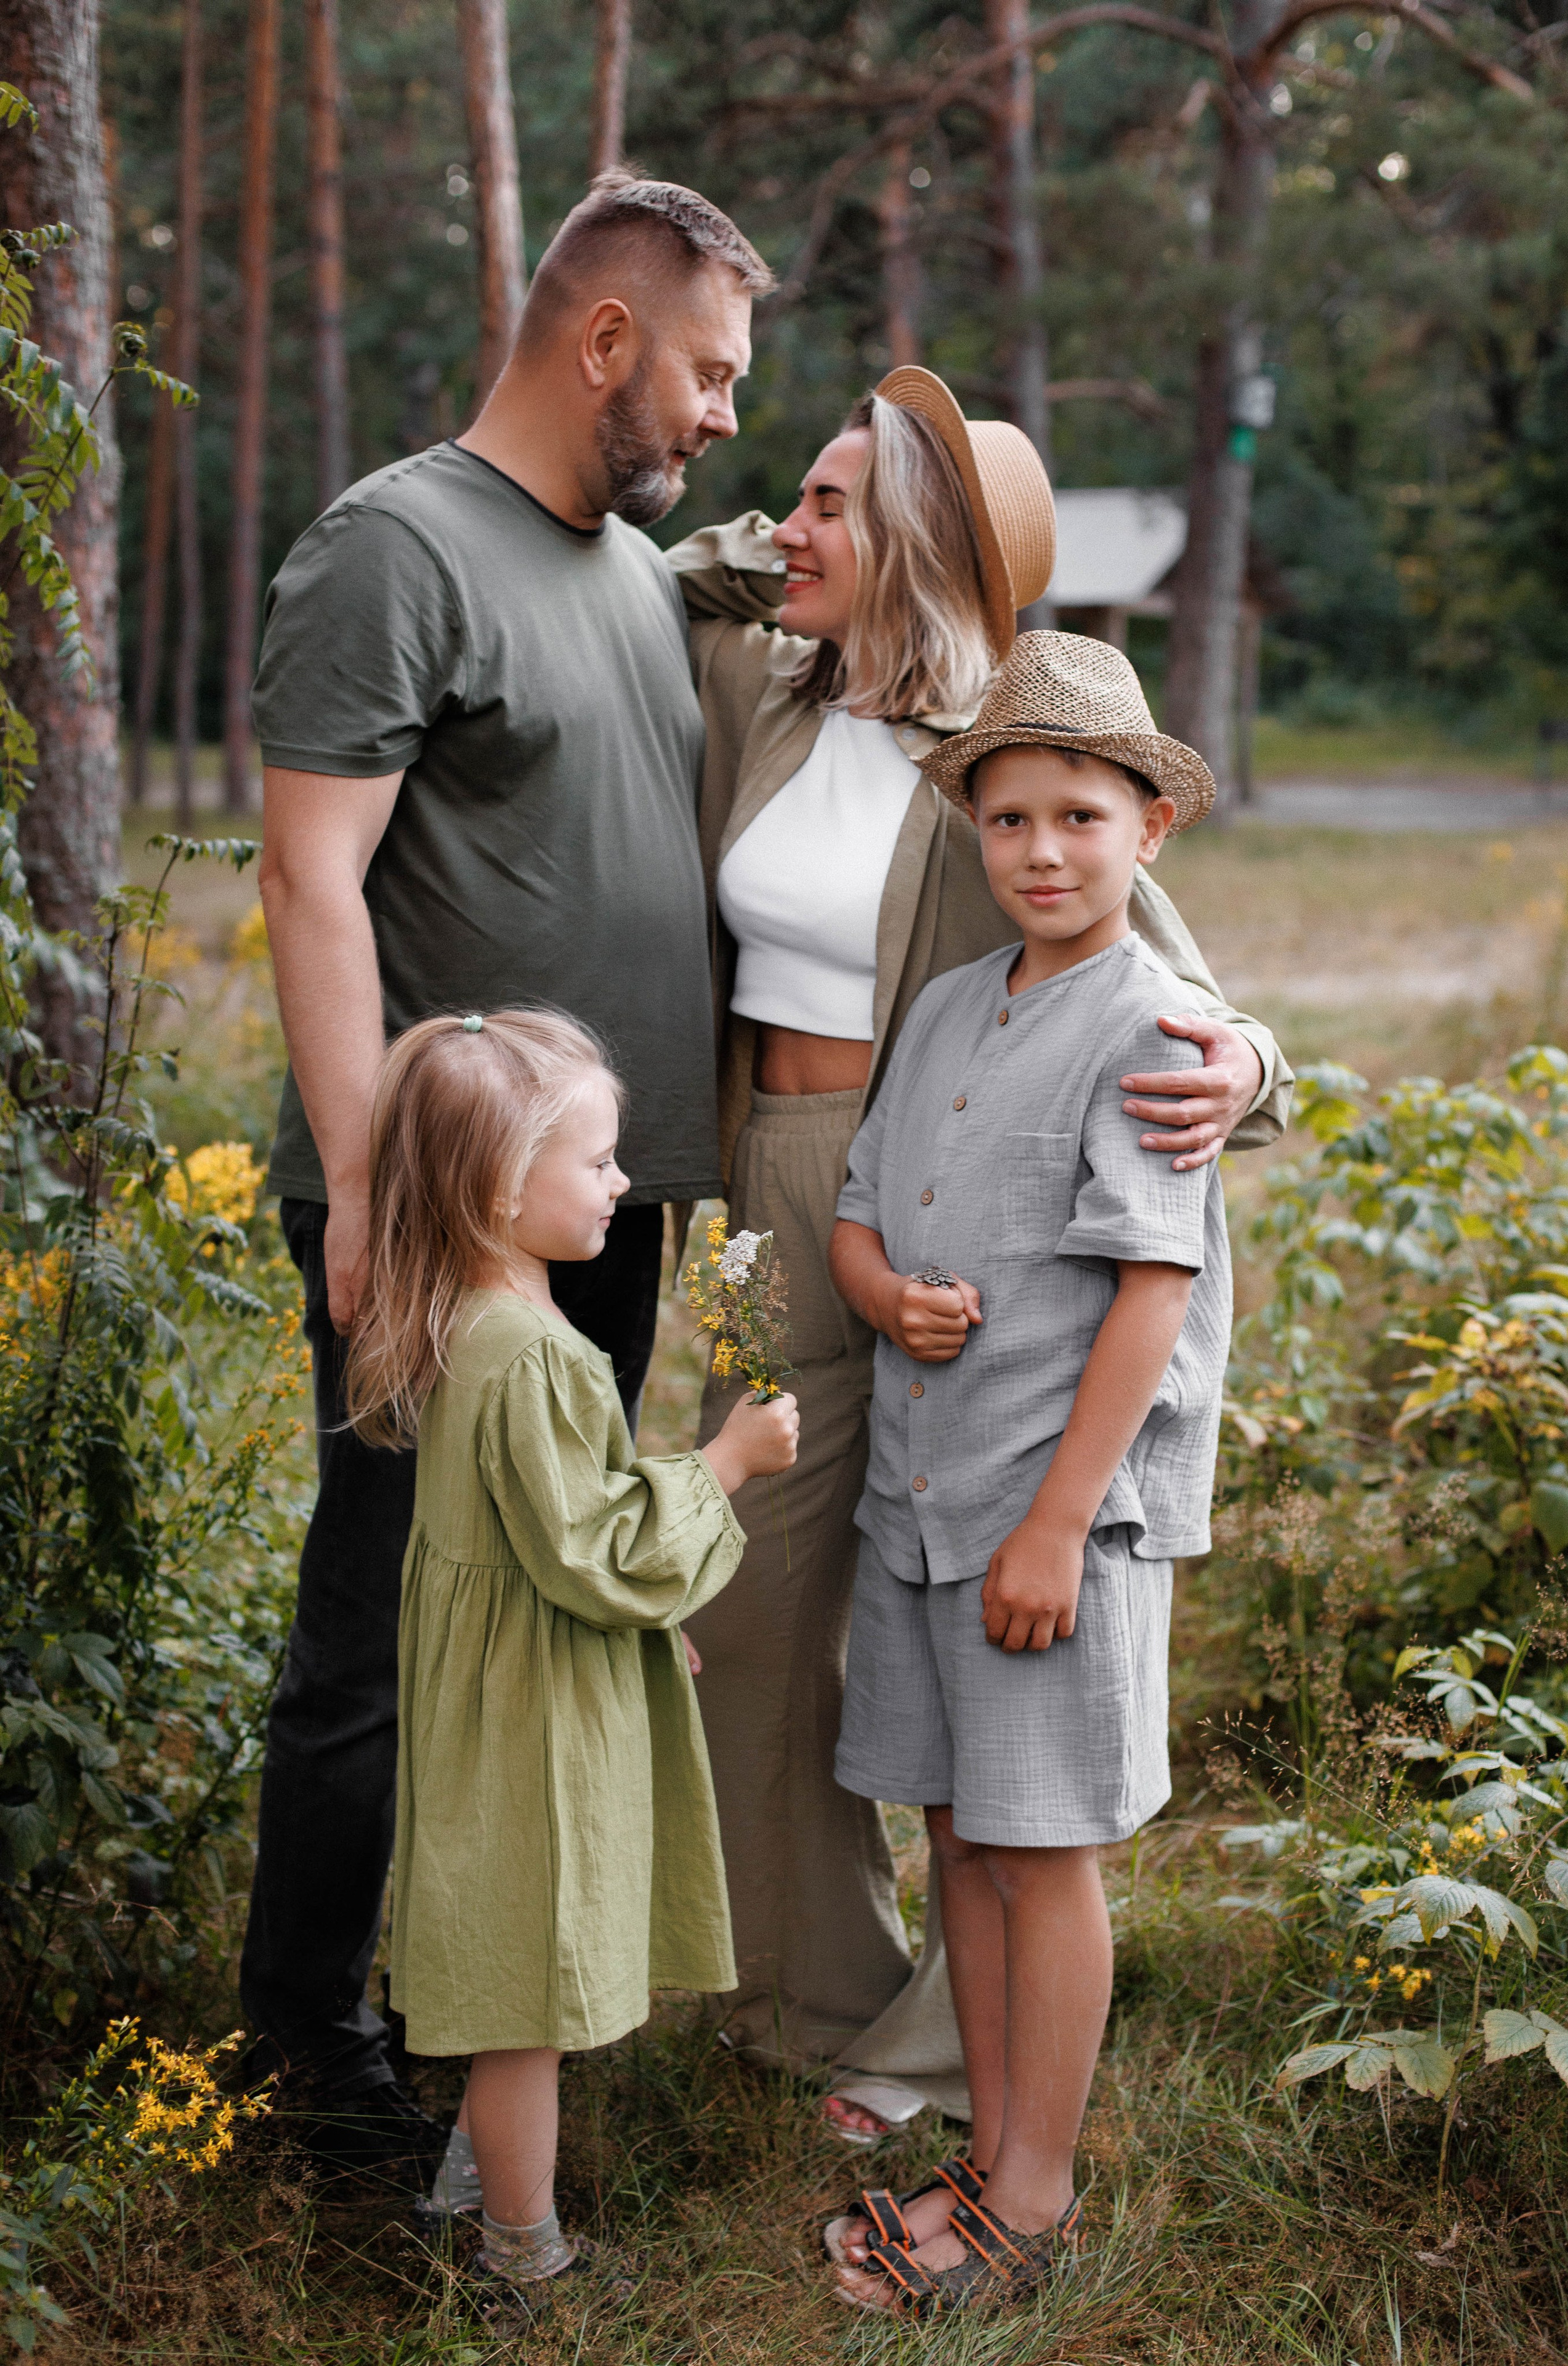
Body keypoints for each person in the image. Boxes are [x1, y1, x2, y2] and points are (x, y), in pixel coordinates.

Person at [665, 368, 1294, 2137]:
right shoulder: (757, 686)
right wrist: (788, 534)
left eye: (833, 503)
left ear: (922, 544)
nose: (789, 525)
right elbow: (682, 571)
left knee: (980, 1617)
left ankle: (964, 2048)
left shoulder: (998, 749)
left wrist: (1251, 1062)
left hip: (984, 1197)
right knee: (762, 1599)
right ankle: (819, 1996)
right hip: (789, 1178)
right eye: (791, 494)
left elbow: (1164, 964)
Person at [241, 172, 773, 2168]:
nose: (727, 411)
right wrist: (374, 1201)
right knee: (390, 1633)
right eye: (710, 369)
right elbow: (309, 881)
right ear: (607, 340)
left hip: (601, 1200)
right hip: (448, 1209)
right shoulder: (396, 549)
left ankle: (496, 2024)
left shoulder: (631, 571)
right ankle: (315, 2052)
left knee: (543, 1610)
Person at [823, 632, 1233, 2315]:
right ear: (974, 834)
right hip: (921, 1496)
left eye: (1080, 813)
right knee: (961, 1835)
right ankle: (987, 2151)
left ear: (1150, 828)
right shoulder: (943, 1006)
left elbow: (1154, 1287)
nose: (1044, 850)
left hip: (1050, 1512)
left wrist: (1061, 1522)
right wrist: (882, 1293)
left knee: (1042, 1842)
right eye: (1008, 820)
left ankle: (1035, 2200)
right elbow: (857, 1208)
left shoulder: (1154, 1023)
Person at [339, 1008, 797, 2319]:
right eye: (597, 1162)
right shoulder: (529, 1351)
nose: (619, 1184)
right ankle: (520, 2260)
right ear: (497, 1186)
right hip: (526, 1715)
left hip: (500, 1684)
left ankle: (468, 2197)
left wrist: (653, 1614)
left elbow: (543, 1532)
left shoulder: (484, 1319)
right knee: (524, 1996)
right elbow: (592, 1545)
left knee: (505, 1966)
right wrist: (725, 1467)